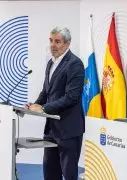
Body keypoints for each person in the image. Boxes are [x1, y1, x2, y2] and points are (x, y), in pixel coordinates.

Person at [26, 27, 85, 180]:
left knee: (69, 175)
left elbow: (72, 97)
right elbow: (46, 92)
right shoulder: (50, 64)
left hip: (69, 129)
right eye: (51, 41)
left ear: (67, 44)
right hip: (51, 130)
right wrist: (34, 105)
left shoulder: (75, 64)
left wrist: (44, 108)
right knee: (50, 173)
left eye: (57, 41)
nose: (53, 45)